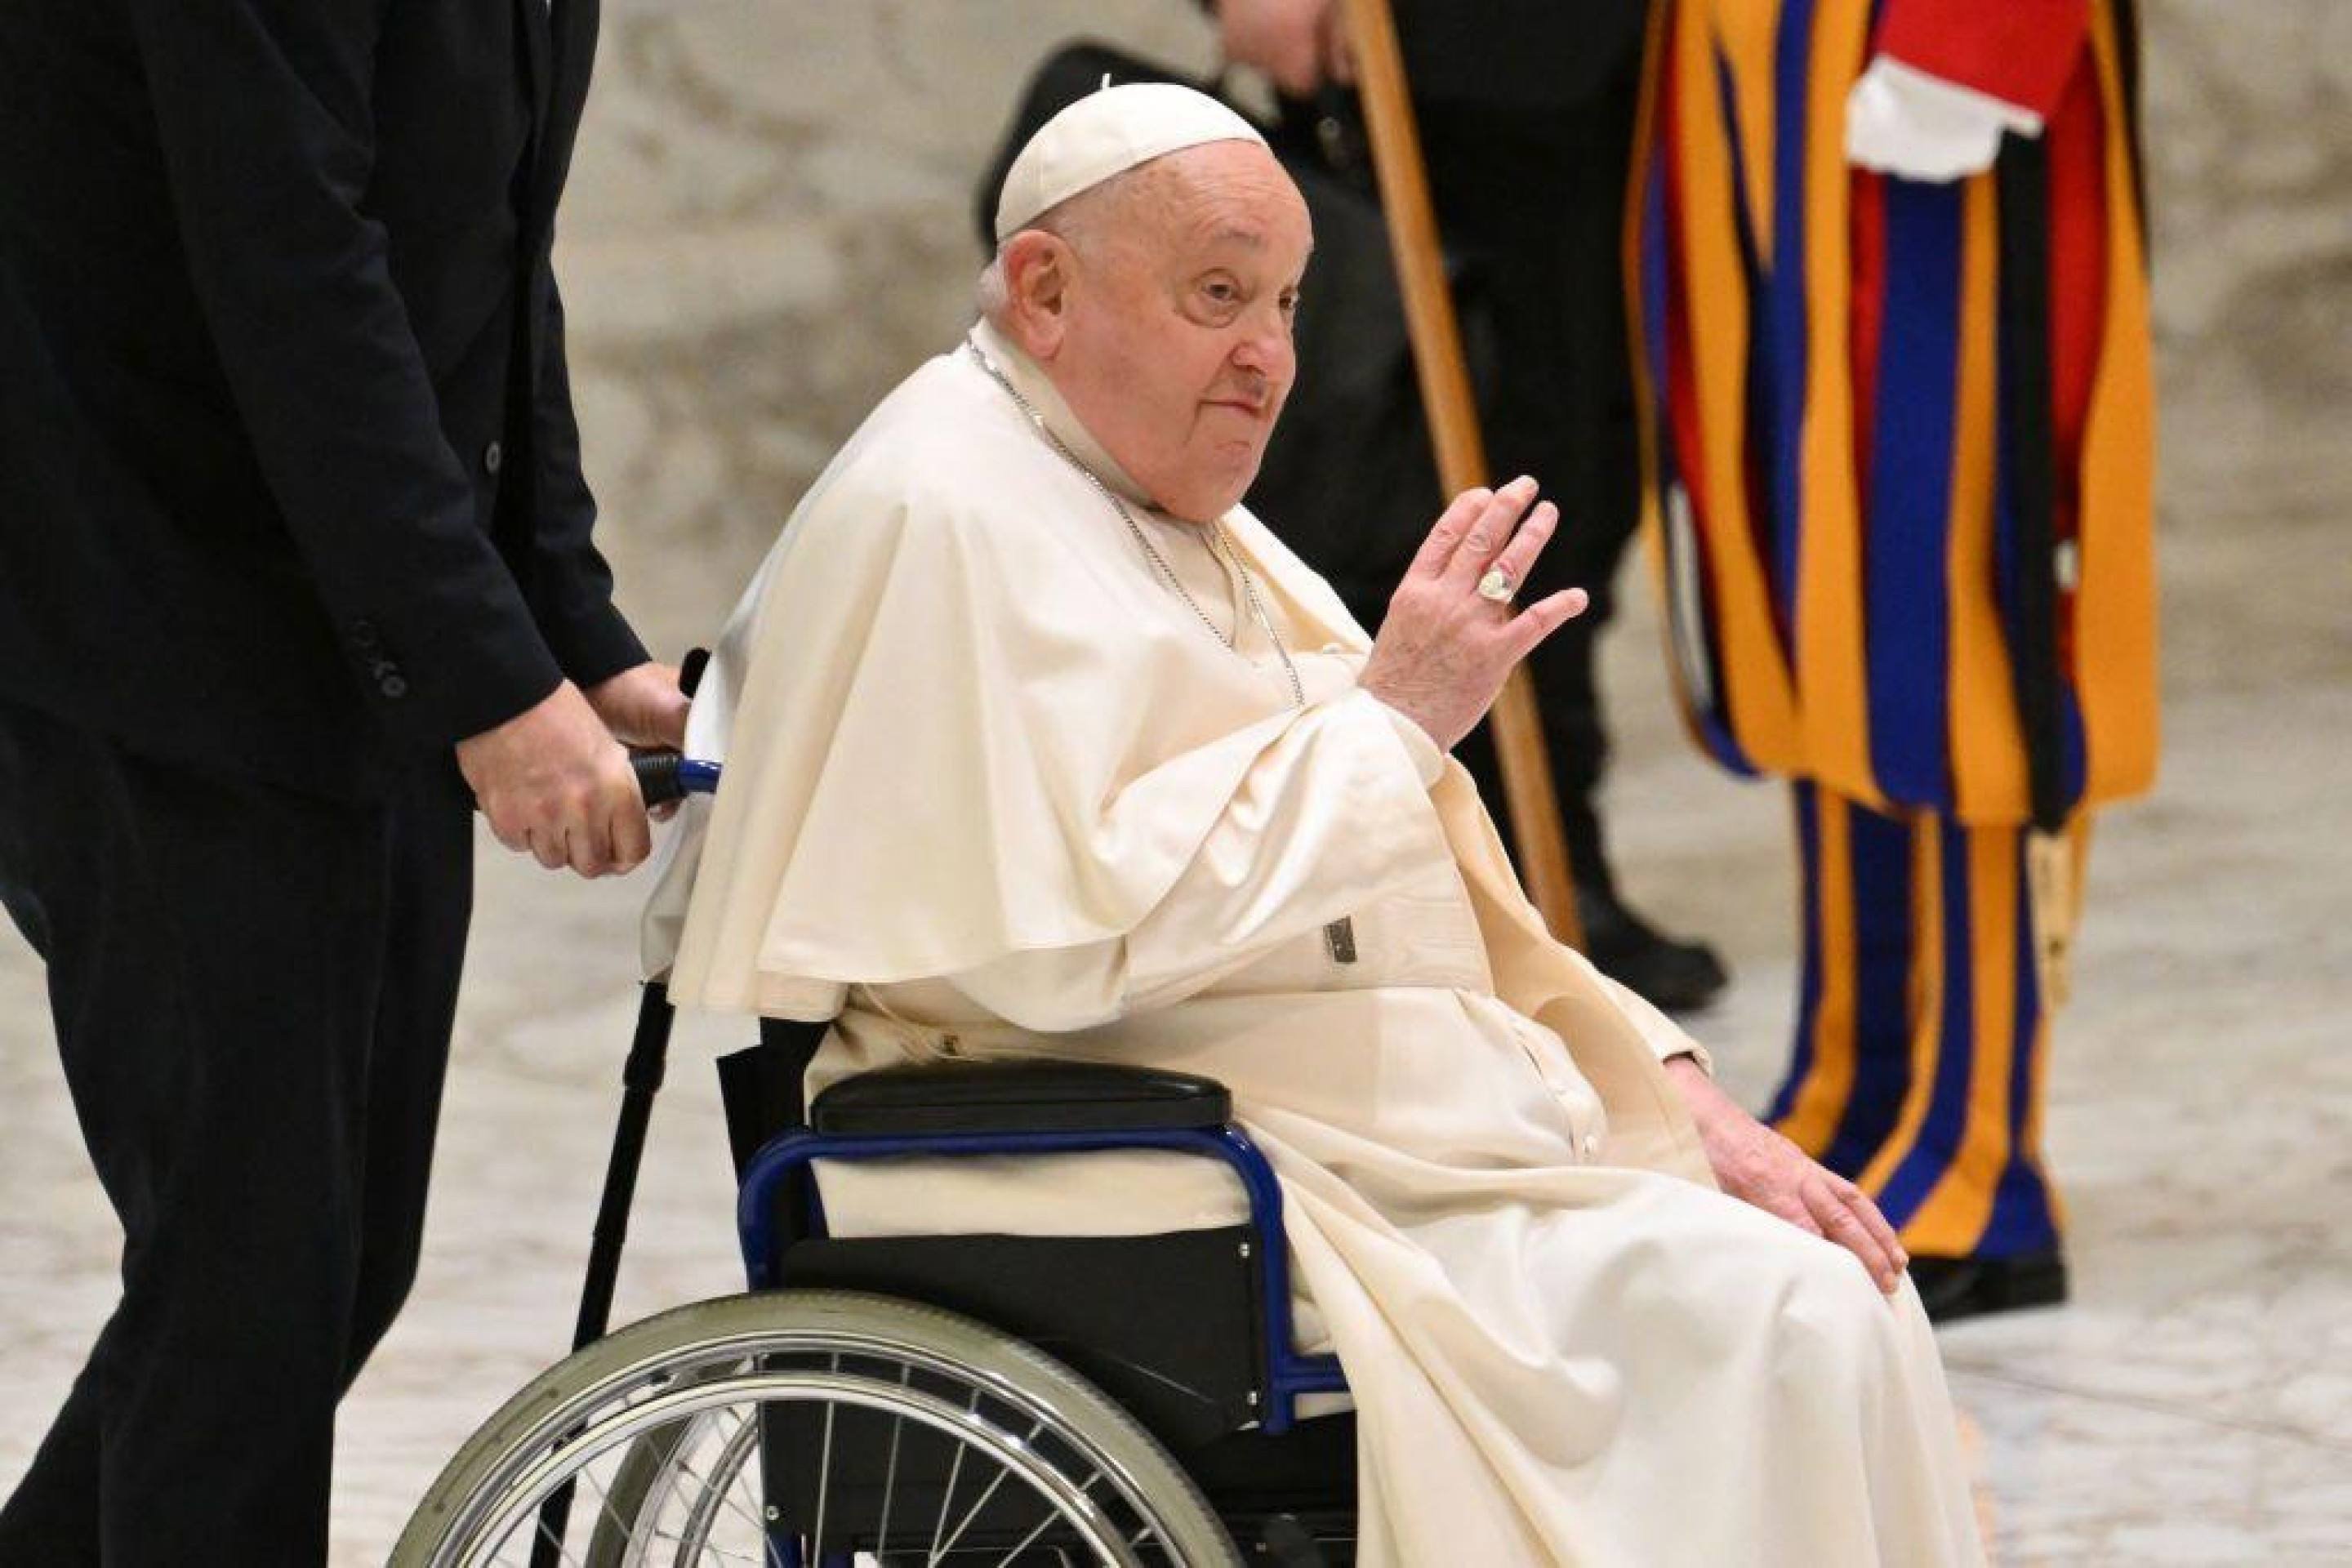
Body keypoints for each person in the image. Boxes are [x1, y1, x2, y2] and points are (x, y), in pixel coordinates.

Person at [648, 84, 1983, 1565]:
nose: (1268, 357)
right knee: (1785, 1314)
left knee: (1826, 1280)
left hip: (1315, 1122)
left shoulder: (1138, 490)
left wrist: (1668, 1086)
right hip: (1127, 1151)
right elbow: (1069, 944)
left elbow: (1410, 864)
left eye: (1284, 302)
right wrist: (1393, 717)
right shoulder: (949, 505)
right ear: (1045, 290)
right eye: (1218, 294)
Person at [0, 0, 684, 1558]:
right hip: (138, 602)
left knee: (327, 1265)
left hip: (332, 610)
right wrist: (486, 677)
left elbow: (489, 253)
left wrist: (562, 627)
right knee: (250, 1279)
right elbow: (291, 260)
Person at [1630, 0, 2156, 1319]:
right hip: (1765, 75)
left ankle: (1978, 1147)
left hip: (1917, 66)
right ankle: (1858, 1083)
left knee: (1947, 602)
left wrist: (1972, 47)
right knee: (1824, 589)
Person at [1200, 0, 1730, 1010]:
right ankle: (1459, 868)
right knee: (1450, 456)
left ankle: (1544, 845)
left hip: (1664, 65)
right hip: (1452, 62)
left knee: (1594, 451)